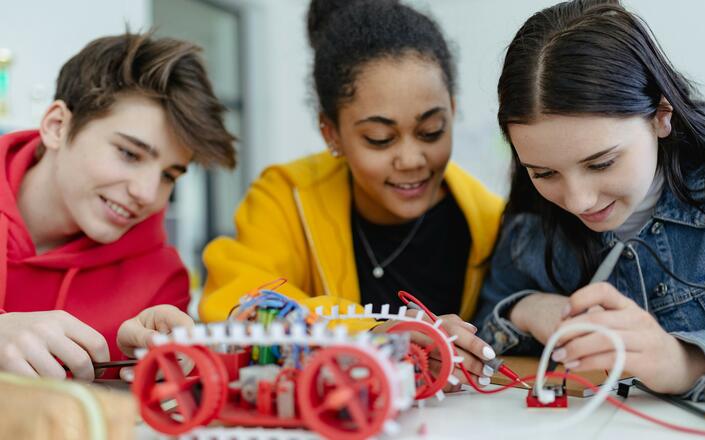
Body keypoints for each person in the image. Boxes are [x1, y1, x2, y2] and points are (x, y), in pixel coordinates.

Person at [476, 0, 705, 399]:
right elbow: (484, 331)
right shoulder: (533, 221)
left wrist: (687, 361)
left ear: (661, 114)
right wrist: (527, 309)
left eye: (601, 163)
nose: (579, 200)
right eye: (544, 173)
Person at [201, 0, 503, 385]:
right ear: (331, 133)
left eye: (432, 130)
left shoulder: (489, 220)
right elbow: (237, 301)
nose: (411, 159)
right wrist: (370, 333)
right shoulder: (286, 197)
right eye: (380, 139)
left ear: (452, 109)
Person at [0, 32, 236, 381]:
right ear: (57, 126)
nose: (147, 193)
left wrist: (162, 374)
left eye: (169, 175)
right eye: (129, 154)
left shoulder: (161, 282)